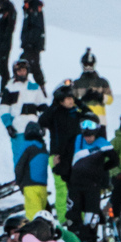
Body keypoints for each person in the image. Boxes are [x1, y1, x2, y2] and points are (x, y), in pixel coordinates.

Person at [41, 82, 90, 225]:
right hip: (58, 157)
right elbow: (42, 121)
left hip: (76, 156)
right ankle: (63, 220)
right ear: (60, 100)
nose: (71, 100)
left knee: (78, 188)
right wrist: (54, 105)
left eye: (72, 98)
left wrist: (80, 102)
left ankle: (80, 218)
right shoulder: (55, 114)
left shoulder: (77, 113)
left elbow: (91, 116)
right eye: (67, 98)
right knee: (62, 190)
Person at [9, 119, 50, 219]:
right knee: (43, 217)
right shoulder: (43, 147)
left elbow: (19, 166)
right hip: (43, 187)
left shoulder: (26, 146)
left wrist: (19, 183)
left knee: (33, 218)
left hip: (29, 186)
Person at [20, 0, 46, 87]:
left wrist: (31, 42)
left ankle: (40, 87)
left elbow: (36, 27)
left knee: (32, 66)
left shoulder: (34, 8)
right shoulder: (28, 8)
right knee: (28, 65)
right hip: (29, 43)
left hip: (33, 45)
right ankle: (25, 86)